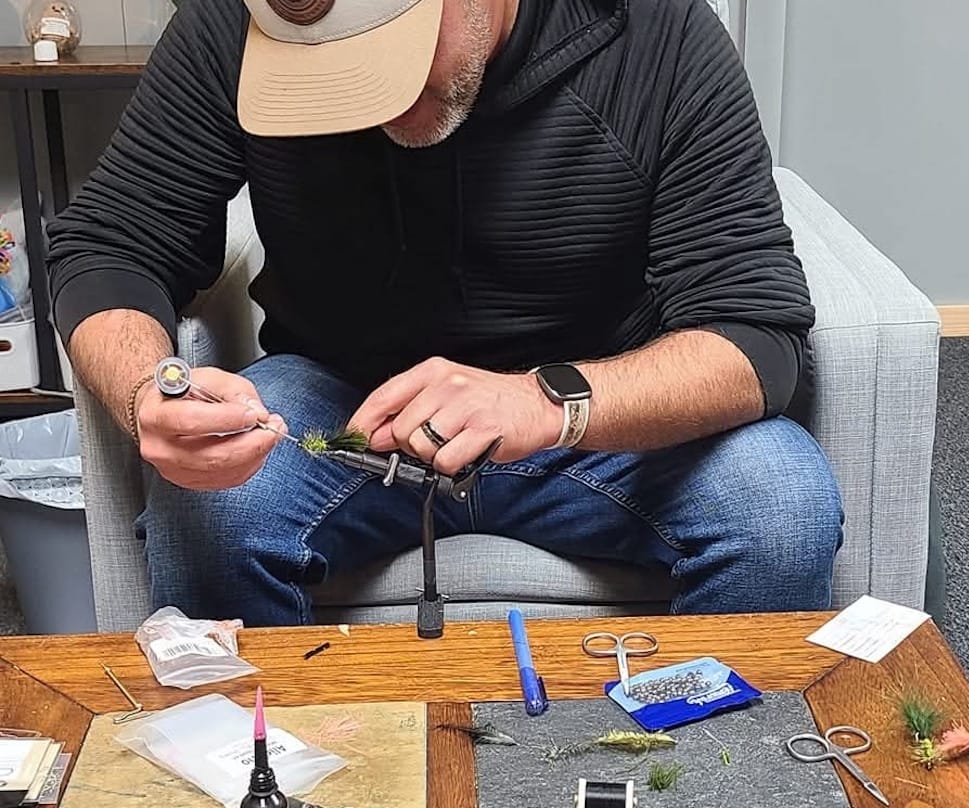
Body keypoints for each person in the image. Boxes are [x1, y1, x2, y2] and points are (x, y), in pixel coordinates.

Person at [47, 0, 843, 626]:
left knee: (780, 505)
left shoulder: (659, 35)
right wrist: (149, 388)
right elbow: (112, 245)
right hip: (348, 414)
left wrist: (542, 399)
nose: (365, 106)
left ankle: (713, 778)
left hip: (593, 417)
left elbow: (754, 337)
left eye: (386, 58)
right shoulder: (230, 27)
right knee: (204, 505)